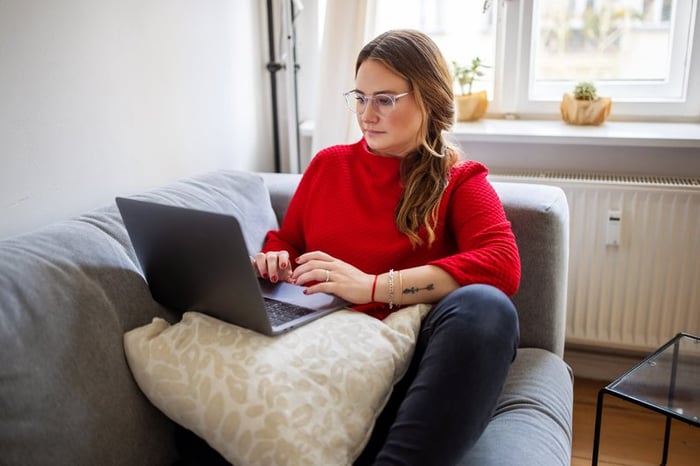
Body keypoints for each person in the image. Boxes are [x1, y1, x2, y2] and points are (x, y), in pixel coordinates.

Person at [253, 29, 521, 466]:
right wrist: (275, 255)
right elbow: (289, 238)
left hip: (407, 365)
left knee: (487, 308)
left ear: (427, 99)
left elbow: (502, 266)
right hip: (320, 353)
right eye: (359, 98)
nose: (366, 114)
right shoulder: (328, 165)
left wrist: (375, 287)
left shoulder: (460, 181)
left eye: (384, 100)